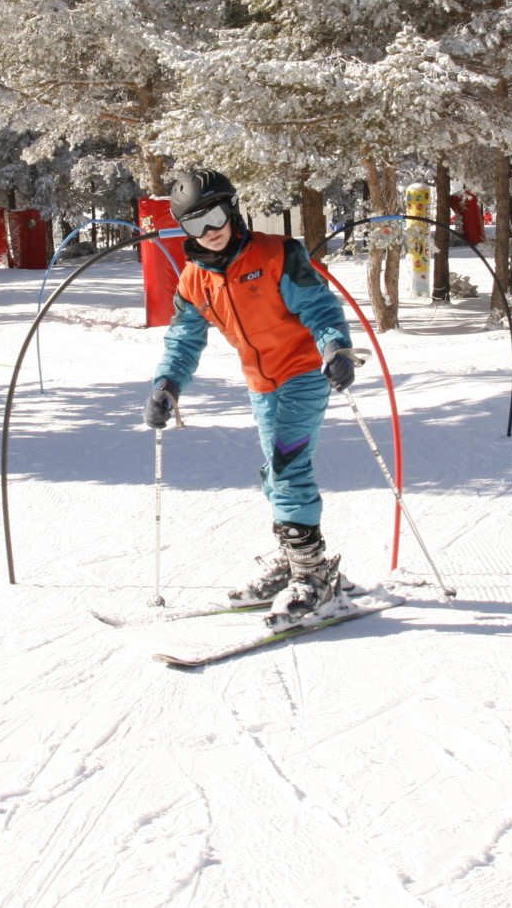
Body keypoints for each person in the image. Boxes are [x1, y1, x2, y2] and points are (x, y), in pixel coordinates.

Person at [146, 168, 357, 626]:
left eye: (216, 216)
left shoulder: (280, 254)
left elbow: (319, 308)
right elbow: (183, 339)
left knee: (288, 466)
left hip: (303, 371)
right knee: (273, 471)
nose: (210, 232)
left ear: (234, 208)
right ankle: (293, 559)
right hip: (261, 384)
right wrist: (168, 383)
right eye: (194, 225)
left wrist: (335, 347)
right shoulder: (194, 280)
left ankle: (314, 576)